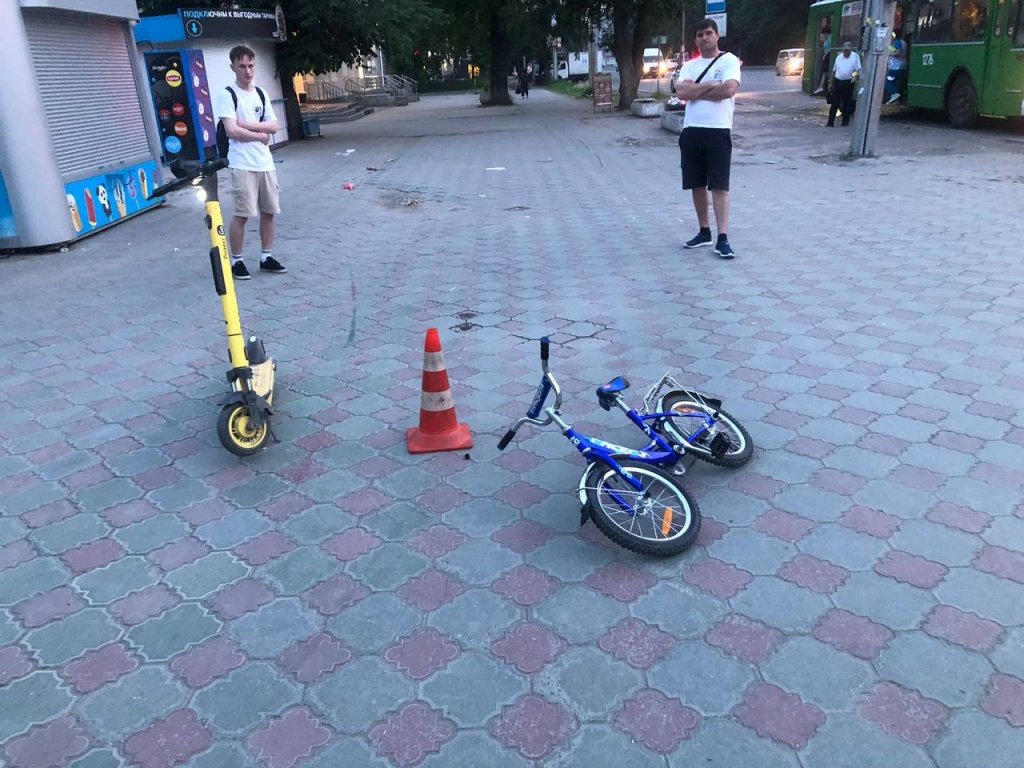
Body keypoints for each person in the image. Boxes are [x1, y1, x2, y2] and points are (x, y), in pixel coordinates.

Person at [214, 45, 287, 280]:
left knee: (269, 212)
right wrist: (260, 135)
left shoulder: (261, 93)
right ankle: (237, 261)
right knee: (242, 214)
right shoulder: (228, 94)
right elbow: (231, 130)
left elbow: (274, 126)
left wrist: (246, 125)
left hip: (265, 163)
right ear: (233, 67)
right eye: (242, 66)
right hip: (242, 163)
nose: (247, 71)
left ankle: (266, 257)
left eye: (251, 65)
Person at [675, 18, 742, 259]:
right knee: (696, 183)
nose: (705, 37)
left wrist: (698, 89)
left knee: (720, 186)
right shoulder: (689, 65)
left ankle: (722, 238)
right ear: (695, 39)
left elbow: (728, 90)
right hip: (692, 131)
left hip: (718, 131)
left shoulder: (729, 61)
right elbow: (681, 92)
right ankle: (704, 231)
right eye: (700, 34)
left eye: (709, 33)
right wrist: (711, 86)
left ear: (717, 35)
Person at [827, 41, 861, 127]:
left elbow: (858, 70)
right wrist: (831, 82)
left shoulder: (855, 57)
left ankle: (845, 121)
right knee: (835, 103)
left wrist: (854, 76)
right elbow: (834, 70)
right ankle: (830, 122)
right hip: (838, 81)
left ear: (851, 50)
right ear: (842, 50)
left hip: (848, 82)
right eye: (845, 50)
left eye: (848, 50)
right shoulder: (838, 57)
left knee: (847, 103)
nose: (846, 52)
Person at [885, 34, 907, 105]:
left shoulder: (897, 42)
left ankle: (894, 94)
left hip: (895, 67)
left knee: (888, 82)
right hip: (901, 66)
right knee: (896, 83)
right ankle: (895, 101)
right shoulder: (902, 42)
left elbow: (897, 53)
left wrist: (888, 53)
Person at [813, 29, 832, 95]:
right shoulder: (827, 39)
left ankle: (823, 86)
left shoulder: (830, 38)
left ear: (826, 33)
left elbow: (830, 48)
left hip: (828, 56)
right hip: (826, 56)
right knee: (825, 72)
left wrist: (825, 55)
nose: (823, 35)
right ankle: (821, 86)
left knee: (826, 72)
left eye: (823, 34)